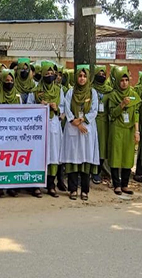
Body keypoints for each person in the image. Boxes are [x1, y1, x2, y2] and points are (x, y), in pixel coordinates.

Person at [61, 65, 98, 201]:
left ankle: (85, 190)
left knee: (85, 160)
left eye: (84, 76)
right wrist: (74, 121)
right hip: (73, 129)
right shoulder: (71, 92)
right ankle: (72, 189)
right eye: (80, 76)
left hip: (87, 129)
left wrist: (83, 120)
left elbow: (94, 110)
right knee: (73, 159)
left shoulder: (92, 92)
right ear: (76, 78)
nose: (82, 79)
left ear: (88, 78)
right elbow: (66, 106)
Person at [28, 61, 64, 198]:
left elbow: (64, 109)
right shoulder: (35, 91)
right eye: (47, 73)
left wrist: (56, 108)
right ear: (42, 75)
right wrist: (39, 105)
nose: (49, 76)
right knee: (39, 154)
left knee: (53, 155)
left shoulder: (59, 90)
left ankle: (51, 185)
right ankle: (36, 185)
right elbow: (28, 108)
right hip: (39, 127)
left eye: (51, 74)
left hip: (54, 125)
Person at [0, 67, 23, 198]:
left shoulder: (18, 95)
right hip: (0, 132)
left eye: (11, 80)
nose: (9, 82)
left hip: (13, 133)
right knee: (0, 159)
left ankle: (12, 187)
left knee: (12, 159)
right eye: (6, 80)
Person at [107, 66, 140, 196]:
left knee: (127, 156)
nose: (124, 82)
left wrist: (137, 132)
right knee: (116, 156)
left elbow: (136, 114)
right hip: (117, 128)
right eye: (122, 80)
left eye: (126, 80)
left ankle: (125, 184)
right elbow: (112, 114)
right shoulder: (113, 95)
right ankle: (116, 184)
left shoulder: (133, 95)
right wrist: (121, 105)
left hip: (129, 129)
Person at [92, 66, 113, 185]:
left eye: (103, 74)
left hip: (104, 122)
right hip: (93, 121)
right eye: (99, 73)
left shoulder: (109, 91)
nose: (101, 76)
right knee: (92, 146)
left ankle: (98, 172)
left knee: (102, 148)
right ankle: (92, 171)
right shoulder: (90, 89)